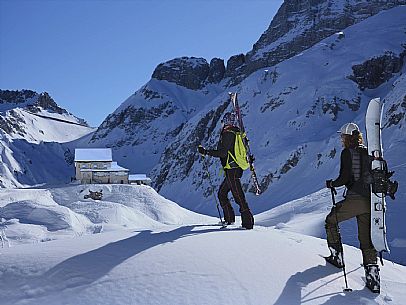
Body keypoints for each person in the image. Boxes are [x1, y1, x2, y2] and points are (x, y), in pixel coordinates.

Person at [324, 122, 379, 289]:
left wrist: (332, 183)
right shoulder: (368, 151)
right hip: (370, 200)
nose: (341, 138)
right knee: (366, 239)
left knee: (331, 220)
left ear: (347, 137)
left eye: (342, 136)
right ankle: (373, 280)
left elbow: (344, 177)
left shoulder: (347, 153)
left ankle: (337, 258)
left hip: (355, 199)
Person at [198, 112, 254, 229]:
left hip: (232, 170)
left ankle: (248, 224)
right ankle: (229, 220)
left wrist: (206, 152)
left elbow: (223, 153)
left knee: (239, 197)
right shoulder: (237, 132)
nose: (222, 124)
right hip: (233, 169)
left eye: (223, 121)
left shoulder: (228, 133)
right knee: (222, 194)